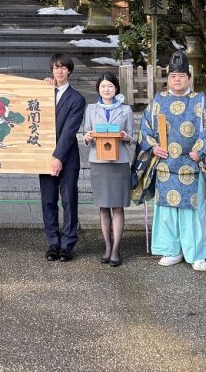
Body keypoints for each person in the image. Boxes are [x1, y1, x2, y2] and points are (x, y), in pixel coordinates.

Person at [133, 49, 206, 272]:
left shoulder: (201, 102)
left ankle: (196, 254)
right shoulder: (157, 102)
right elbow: (146, 130)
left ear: (189, 78)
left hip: (192, 166)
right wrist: (153, 147)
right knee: (167, 211)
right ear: (168, 79)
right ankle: (171, 251)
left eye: (181, 76)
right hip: (165, 166)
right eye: (173, 76)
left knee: (192, 213)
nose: (177, 80)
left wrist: (201, 150)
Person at [81, 71, 134, 266]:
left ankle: (116, 248)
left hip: (119, 162)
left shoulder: (126, 110)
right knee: (103, 206)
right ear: (98, 89)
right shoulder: (91, 109)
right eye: (103, 86)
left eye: (110, 86)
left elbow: (131, 137)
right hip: (99, 161)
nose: (106, 89)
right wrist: (87, 137)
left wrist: (126, 136)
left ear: (116, 88)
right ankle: (107, 246)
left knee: (118, 206)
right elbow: (86, 133)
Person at [40, 52, 86, 262]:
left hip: (67, 158)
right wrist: (42, 91)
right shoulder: (44, 93)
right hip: (44, 156)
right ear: (52, 70)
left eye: (63, 67)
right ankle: (53, 242)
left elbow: (69, 131)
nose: (59, 71)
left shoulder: (77, 98)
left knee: (69, 200)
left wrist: (58, 157)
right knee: (48, 200)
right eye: (56, 67)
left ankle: (67, 244)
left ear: (69, 71)